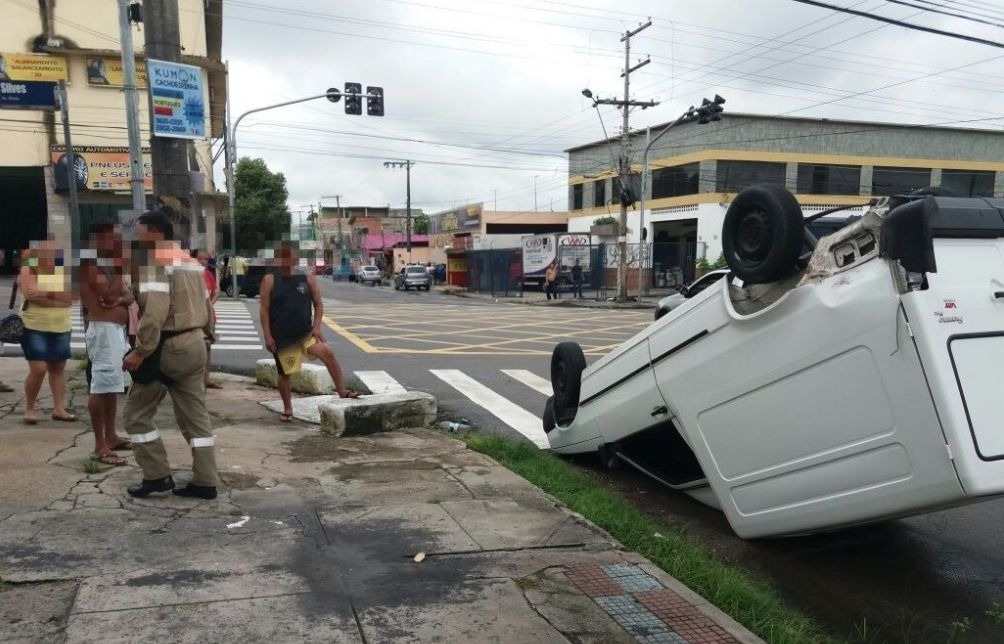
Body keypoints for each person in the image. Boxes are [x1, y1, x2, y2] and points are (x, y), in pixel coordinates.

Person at [121, 210, 218, 500]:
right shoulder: (190, 262)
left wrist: (140, 352)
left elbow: (155, 313)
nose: (136, 235)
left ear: (154, 232)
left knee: (136, 415)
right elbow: (206, 306)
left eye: (139, 230)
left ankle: (157, 476)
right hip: (195, 344)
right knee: (196, 418)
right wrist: (208, 336)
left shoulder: (155, 262)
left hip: (167, 348)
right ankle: (205, 482)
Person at [260, 240, 358, 423]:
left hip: (305, 334)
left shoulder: (307, 278)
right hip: (282, 337)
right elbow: (264, 310)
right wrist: (268, 336)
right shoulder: (269, 280)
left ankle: (342, 391)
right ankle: (288, 408)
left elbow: (318, 304)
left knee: (327, 352)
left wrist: (317, 327)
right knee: (285, 373)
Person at [80, 219, 134, 465]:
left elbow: (126, 296)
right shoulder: (90, 263)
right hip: (102, 331)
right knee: (101, 386)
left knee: (112, 385)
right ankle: (99, 445)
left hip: (115, 330)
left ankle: (111, 436)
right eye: (114, 237)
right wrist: (122, 270)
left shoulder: (107, 263)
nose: (119, 242)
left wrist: (120, 298)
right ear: (101, 238)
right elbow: (109, 294)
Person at [17, 242, 75, 424]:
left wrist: (46, 294)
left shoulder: (63, 269)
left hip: (61, 325)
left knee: (58, 368)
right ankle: (30, 408)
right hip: (33, 324)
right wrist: (59, 298)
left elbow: (72, 296)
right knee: (39, 369)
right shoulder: (29, 267)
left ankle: (59, 408)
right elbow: (31, 294)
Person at [191, 249, 221, 389]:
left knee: (208, 347)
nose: (203, 262)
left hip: (209, 316)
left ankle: (206, 378)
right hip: (195, 317)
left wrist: (209, 305)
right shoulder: (191, 275)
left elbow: (215, 293)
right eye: (200, 259)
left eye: (206, 259)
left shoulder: (208, 275)